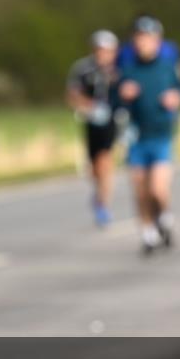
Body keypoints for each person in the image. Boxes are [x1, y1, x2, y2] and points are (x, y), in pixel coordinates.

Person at [117, 16, 180, 255]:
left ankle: (164, 217)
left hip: (161, 135)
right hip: (136, 137)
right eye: (139, 38)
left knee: (158, 189)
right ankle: (148, 234)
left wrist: (175, 98)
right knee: (140, 190)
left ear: (157, 41)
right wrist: (123, 95)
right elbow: (114, 101)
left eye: (148, 38)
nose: (143, 43)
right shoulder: (127, 69)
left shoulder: (168, 68)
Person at [67, 30, 120, 227]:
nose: (103, 54)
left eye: (107, 50)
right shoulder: (83, 69)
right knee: (94, 168)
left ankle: (103, 205)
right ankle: (99, 194)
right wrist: (89, 106)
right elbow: (72, 94)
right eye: (100, 50)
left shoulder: (120, 69)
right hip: (92, 122)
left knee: (105, 161)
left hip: (113, 121)